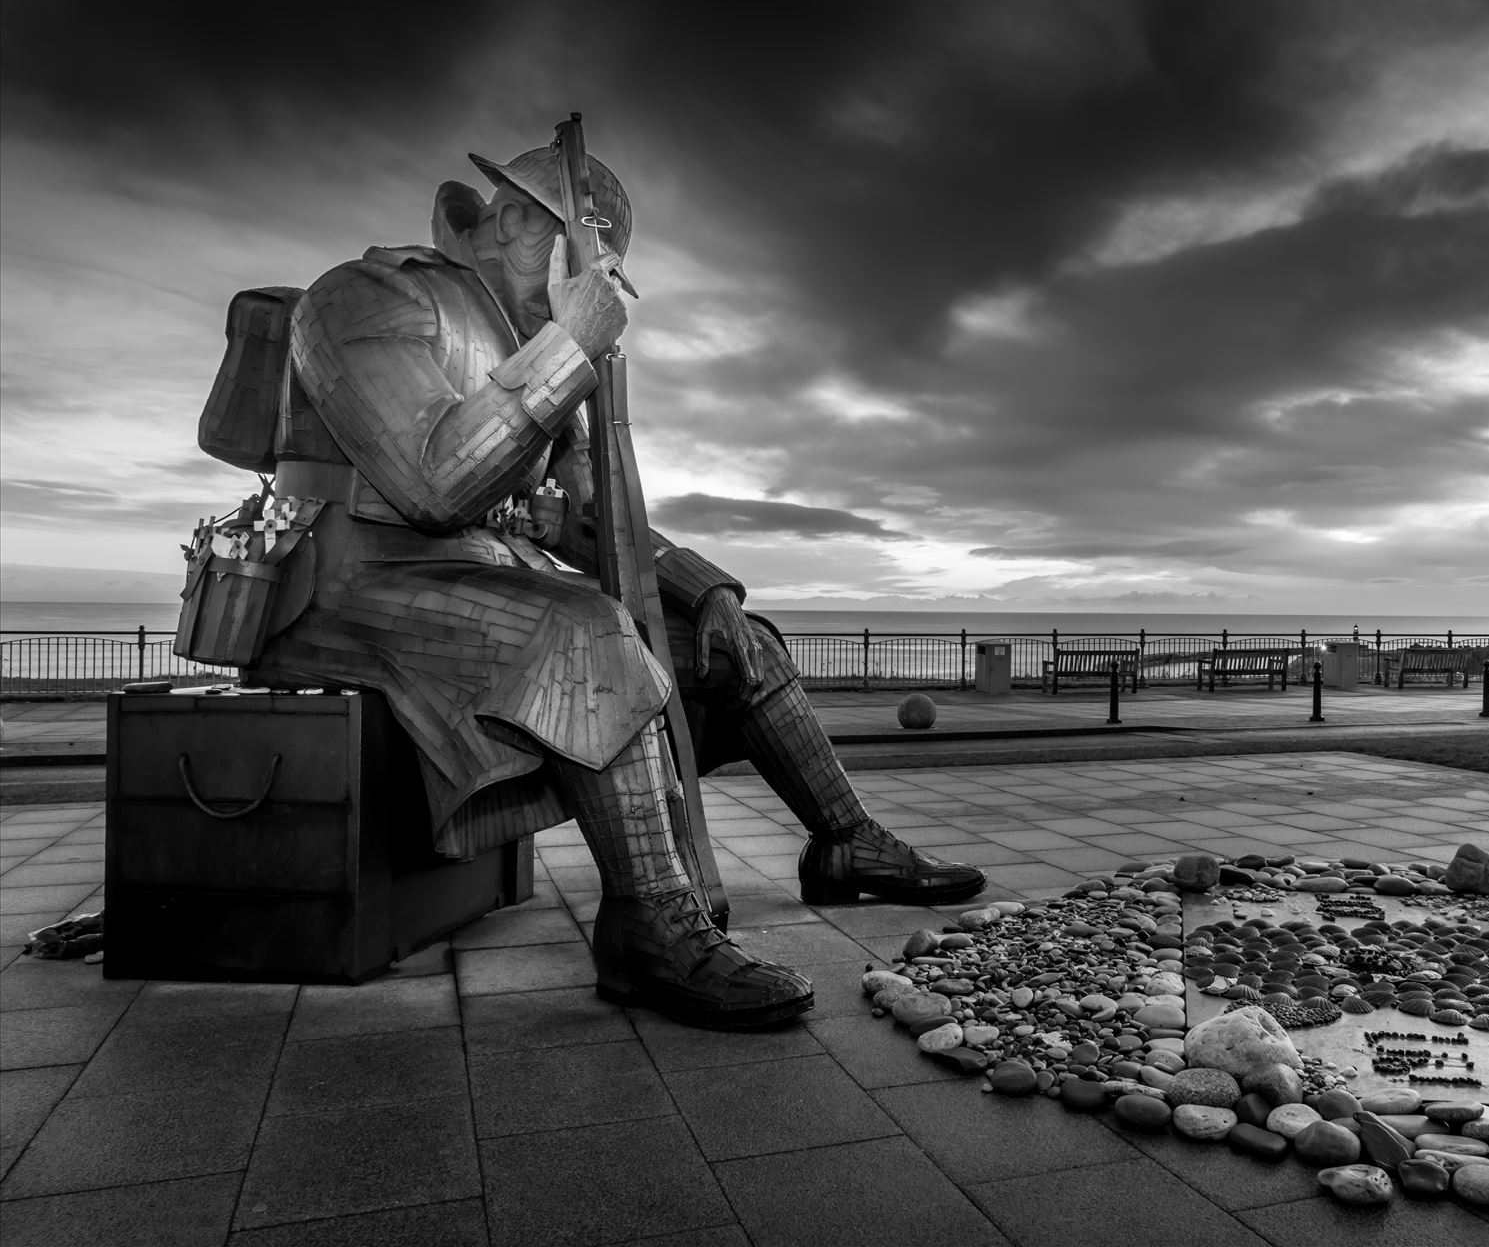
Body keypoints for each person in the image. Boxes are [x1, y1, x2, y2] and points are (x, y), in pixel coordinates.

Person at [239, 136, 983, 1029]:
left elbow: (600, 521)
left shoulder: (527, 338)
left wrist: (704, 589)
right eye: (593, 261)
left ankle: (847, 843)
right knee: (585, 632)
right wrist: (569, 345)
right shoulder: (366, 296)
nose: (605, 290)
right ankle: (650, 924)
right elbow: (433, 482)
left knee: (737, 644)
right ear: (517, 220)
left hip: (476, 578)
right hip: (347, 587)